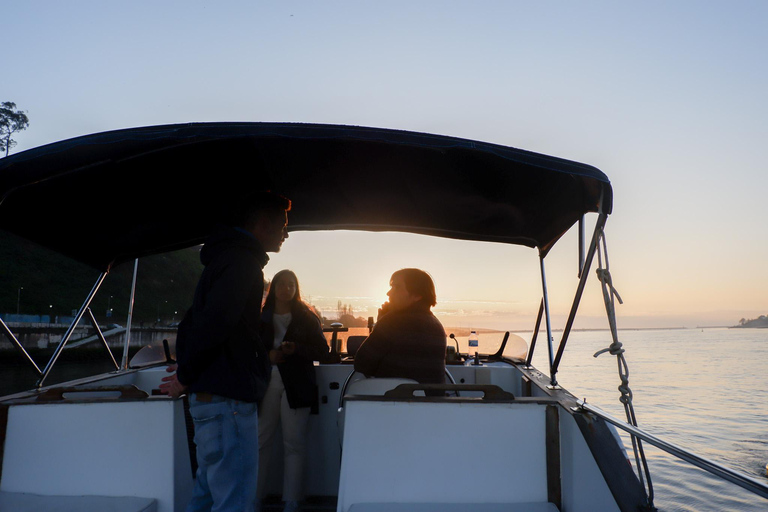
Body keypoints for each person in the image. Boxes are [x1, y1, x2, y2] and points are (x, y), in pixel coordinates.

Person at [160, 190, 291, 512]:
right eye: (283, 225)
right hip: (228, 403)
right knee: (234, 501)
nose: (287, 233)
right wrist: (186, 376)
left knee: (206, 495)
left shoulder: (225, 259)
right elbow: (215, 323)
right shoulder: (243, 263)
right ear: (262, 224)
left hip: (213, 402)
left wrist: (189, 371)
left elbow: (197, 321)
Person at [256, 270, 329, 512]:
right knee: (260, 441)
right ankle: (254, 498)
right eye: (281, 284)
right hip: (265, 381)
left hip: (297, 383)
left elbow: (322, 351)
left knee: (294, 443)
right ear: (273, 287)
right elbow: (247, 350)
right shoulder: (260, 317)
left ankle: (292, 501)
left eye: (291, 284)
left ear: (296, 289)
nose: (286, 288)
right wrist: (268, 356)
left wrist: (295, 349)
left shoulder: (307, 318)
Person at [354, 268, 446, 384]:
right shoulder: (436, 325)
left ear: (417, 295)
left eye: (396, 287)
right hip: (431, 400)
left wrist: (381, 322)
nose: (389, 293)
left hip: (394, 399)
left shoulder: (393, 322)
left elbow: (362, 364)